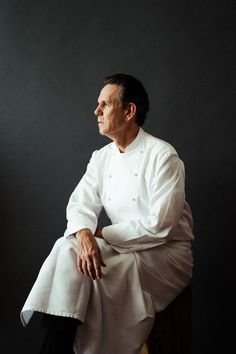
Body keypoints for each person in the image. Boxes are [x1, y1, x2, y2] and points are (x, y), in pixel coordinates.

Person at [21, 73, 194, 354]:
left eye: (105, 104)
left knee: (90, 272)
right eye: (97, 105)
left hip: (164, 255)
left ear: (129, 111)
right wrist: (84, 234)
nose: (96, 111)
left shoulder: (163, 155)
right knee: (68, 248)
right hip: (122, 245)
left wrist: (99, 233)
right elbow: (79, 204)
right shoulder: (101, 157)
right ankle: (56, 342)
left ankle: (57, 345)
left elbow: (162, 225)